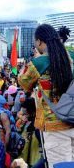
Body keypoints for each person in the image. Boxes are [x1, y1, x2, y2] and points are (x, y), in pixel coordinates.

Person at [18, 24, 74, 168]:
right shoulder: (71, 57)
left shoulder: (39, 63)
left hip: (54, 126)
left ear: (39, 42)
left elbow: (24, 83)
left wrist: (36, 58)